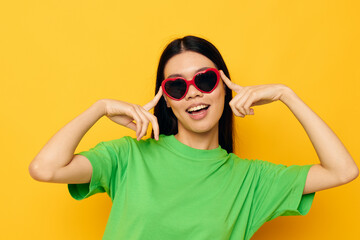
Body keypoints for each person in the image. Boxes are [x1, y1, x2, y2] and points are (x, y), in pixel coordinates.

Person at [29, 35, 358, 240]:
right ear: (167, 100)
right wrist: (98, 108)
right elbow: (45, 169)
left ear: (224, 85)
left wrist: (288, 95)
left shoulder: (253, 180)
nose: (192, 94)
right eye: (176, 85)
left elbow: (343, 171)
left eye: (205, 80)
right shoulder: (127, 157)